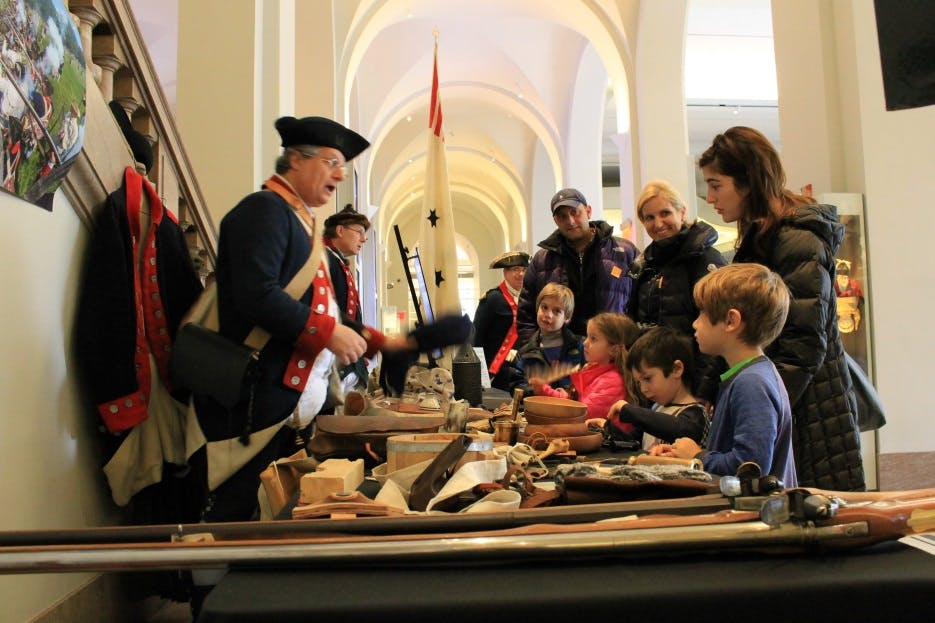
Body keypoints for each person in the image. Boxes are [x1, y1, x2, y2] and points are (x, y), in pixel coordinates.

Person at [197, 116, 470, 523]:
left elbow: (328, 313)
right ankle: (205, 584)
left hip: (283, 396)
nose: (340, 174)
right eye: (331, 161)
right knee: (233, 506)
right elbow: (257, 294)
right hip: (254, 395)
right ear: (295, 159)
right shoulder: (263, 212)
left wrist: (383, 343)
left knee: (273, 504)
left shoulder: (296, 220)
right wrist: (330, 333)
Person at [698, 126, 864, 491]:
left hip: (809, 406)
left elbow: (804, 344)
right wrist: (710, 394)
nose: (709, 197)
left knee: (809, 512)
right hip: (781, 395)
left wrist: (760, 407)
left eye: (716, 184)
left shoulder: (796, 240)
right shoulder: (762, 235)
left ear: (748, 181)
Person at [653, 263, 797, 486]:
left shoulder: (751, 383)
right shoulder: (748, 376)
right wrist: (682, 455)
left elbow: (750, 467)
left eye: (702, 313)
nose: (694, 323)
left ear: (731, 321)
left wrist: (698, 456)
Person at [627, 180, 727, 402]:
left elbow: (718, 328)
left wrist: (704, 392)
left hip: (693, 385)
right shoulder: (643, 265)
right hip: (657, 385)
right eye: (649, 217)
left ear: (682, 212)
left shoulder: (705, 260)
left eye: (665, 213)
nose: (658, 223)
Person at [517, 188, 637, 341]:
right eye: (563, 216)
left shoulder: (625, 252)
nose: (570, 221)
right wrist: (536, 353)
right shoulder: (541, 261)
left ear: (588, 211)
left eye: (575, 212)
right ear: (556, 221)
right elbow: (526, 315)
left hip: (610, 352)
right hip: (559, 356)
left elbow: (639, 306)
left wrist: (629, 350)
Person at [595, 326, 708, 450]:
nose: (643, 389)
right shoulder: (657, 409)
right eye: (639, 382)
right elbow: (634, 443)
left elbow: (678, 429)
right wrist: (607, 429)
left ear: (676, 369)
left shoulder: (696, 414)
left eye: (648, 378)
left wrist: (629, 411)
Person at [529, 312, 639, 428]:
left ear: (614, 349)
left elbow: (579, 414)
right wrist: (544, 390)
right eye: (587, 336)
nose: (585, 343)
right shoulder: (595, 371)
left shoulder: (613, 380)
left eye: (593, 339)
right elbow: (574, 403)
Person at [323, 204, 372, 393]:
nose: (364, 238)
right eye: (359, 231)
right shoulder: (325, 259)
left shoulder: (337, 260)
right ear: (340, 230)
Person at [505, 283, 584, 396]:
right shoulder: (525, 352)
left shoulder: (580, 347)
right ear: (537, 309)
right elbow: (516, 385)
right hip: (539, 411)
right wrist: (537, 391)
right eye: (544, 307)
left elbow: (592, 380)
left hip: (573, 410)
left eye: (557, 311)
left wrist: (572, 393)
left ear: (567, 317)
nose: (548, 315)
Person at [472, 250, 530, 391]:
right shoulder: (492, 299)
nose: (521, 274)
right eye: (516, 269)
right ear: (505, 273)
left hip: (524, 367)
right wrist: (480, 375)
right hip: (497, 370)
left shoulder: (530, 297)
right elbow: (476, 337)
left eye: (524, 270)